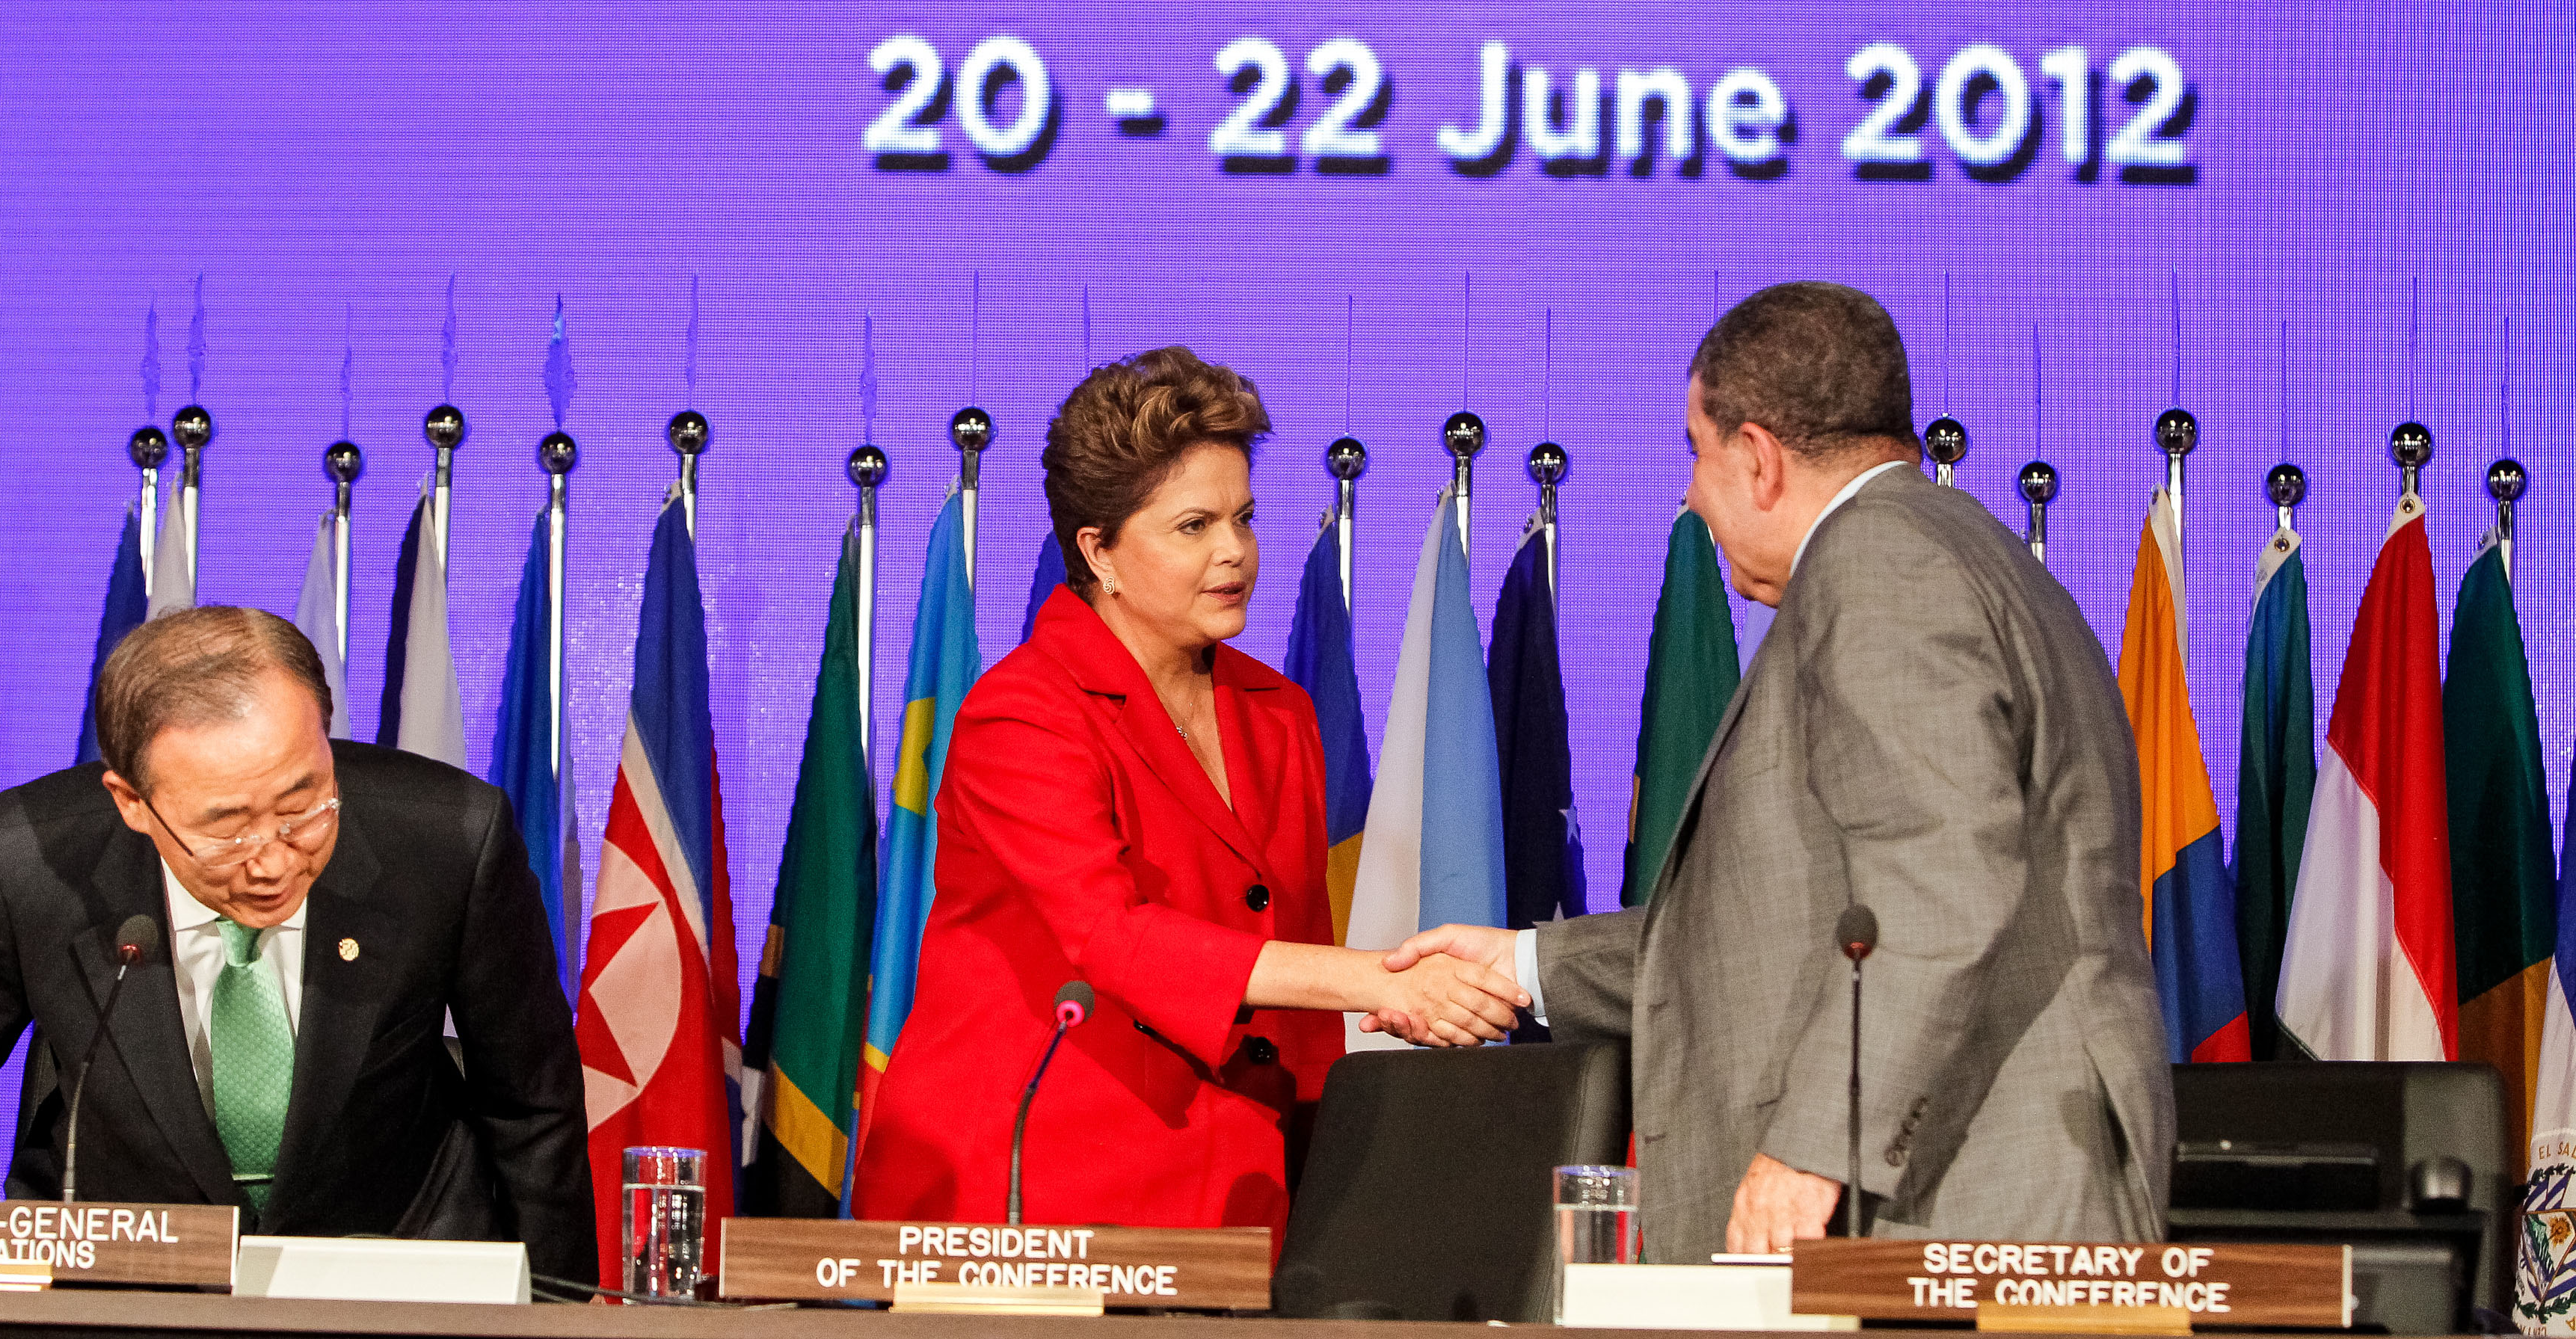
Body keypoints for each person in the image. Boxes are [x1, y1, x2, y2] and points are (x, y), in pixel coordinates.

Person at [1388, 283, 2173, 1253]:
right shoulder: (1963, 549)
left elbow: (1940, 885)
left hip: (1967, 1202)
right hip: (1982, 1190)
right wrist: (1523, 965)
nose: (1689, 494)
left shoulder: (1880, 564)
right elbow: (1791, 929)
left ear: (1756, 459)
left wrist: (1815, 1147)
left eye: (1696, 452)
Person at [852, 347, 1526, 1241]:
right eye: (1193, 526)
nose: (1235, 553)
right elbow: (1110, 935)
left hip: (1233, 1189)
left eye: (1244, 518)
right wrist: (1382, 982)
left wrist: (1325, 1179)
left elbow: (1289, 971)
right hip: (1028, 1191)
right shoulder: (1021, 712)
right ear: (1099, 552)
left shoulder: (1278, 712)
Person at [0, 607, 591, 1280]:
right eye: (227, 826)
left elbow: (532, 1103)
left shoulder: (449, 836)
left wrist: (555, 1313)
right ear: (131, 801)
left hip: (396, 1281)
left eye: (302, 805)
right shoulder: (26, 860)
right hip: (121, 1287)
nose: (273, 861)